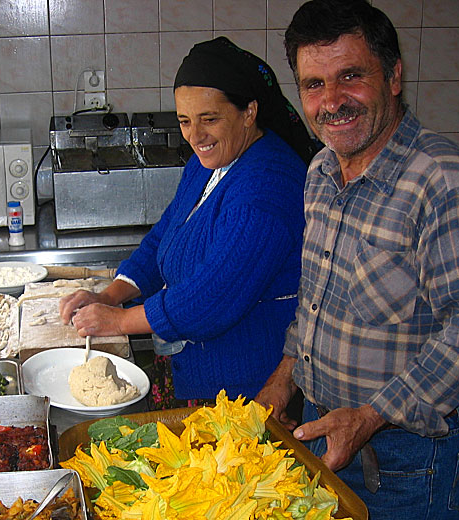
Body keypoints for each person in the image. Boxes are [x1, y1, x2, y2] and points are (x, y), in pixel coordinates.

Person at [254, 1, 459, 520]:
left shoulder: (446, 182)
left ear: (393, 77)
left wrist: (369, 417)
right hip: (326, 437)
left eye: (351, 76)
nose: (331, 100)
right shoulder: (320, 171)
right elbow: (317, 301)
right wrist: (281, 382)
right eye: (314, 84)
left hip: (405, 461)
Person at [59, 37, 316, 408]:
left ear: (249, 112)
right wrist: (109, 295)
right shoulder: (210, 162)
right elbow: (165, 236)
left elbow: (211, 299)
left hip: (240, 392)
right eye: (184, 121)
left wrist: (118, 322)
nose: (195, 136)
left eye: (209, 119)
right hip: (196, 374)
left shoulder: (267, 188)